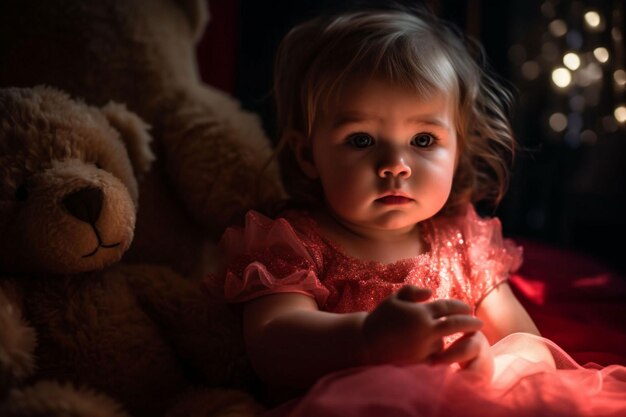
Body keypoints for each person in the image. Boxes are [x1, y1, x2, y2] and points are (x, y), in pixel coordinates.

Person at [208, 5, 626, 417]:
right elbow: (271, 344)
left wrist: (485, 365)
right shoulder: (295, 243)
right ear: (307, 155)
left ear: (458, 147)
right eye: (361, 140)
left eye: (423, 140)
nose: (395, 164)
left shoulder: (462, 245)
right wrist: (368, 340)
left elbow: (525, 342)